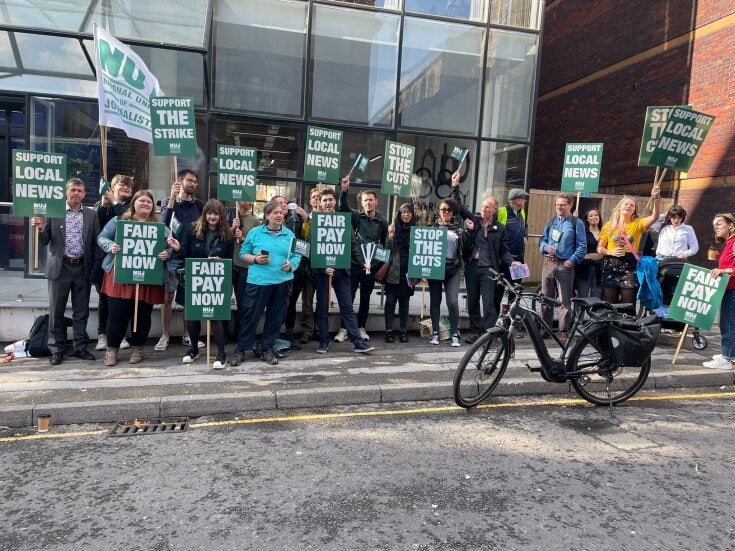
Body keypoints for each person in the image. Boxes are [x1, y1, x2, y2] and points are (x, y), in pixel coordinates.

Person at [97, 190, 176, 366]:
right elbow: (101, 238)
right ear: (134, 203)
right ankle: (112, 350)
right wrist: (111, 246)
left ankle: (137, 348)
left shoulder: (161, 227)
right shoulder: (119, 222)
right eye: (142, 200)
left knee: (142, 315)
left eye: (149, 201)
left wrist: (167, 253)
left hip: (148, 278)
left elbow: (173, 246)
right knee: (117, 314)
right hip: (121, 277)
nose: (145, 204)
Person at [31, 178, 100, 365]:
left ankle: (80, 348)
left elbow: (95, 244)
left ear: (84, 194)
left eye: (80, 190)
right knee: (56, 311)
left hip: (82, 268)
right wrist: (39, 229)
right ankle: (57, 349)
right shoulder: (55, 212)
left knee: (81, 312)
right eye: (73, 190)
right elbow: (45, 240)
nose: (76, 193)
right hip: (59, 269)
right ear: (66, 192)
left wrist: (94, 270)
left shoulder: (91, 215)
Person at [231, 200, 302, 366]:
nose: (278, 215)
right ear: (267, 216)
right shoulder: (255, 233)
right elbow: (243, 253)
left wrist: (292, 264)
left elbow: (296, 255)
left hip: (282, 282)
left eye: (280, 213)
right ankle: (241, 348)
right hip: (258, 282)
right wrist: (255, 259)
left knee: (275, 318)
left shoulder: (290, 235)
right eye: (274, 213)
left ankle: (267, 349)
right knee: (249, 316)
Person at [313, 188, 374, 355]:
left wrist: (363, 263)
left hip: (342, 272)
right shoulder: (316, 221)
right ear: (320, 203)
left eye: (331, 199)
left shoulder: (343, 220)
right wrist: (323, 266)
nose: (328, 203)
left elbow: (353, 245)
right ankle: (323, 341)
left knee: (347, 306)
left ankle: (357, 342)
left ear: (335, 201)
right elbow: (312, 250)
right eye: (324, 200)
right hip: (323, 273)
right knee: (322, 306)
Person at [456, 194, 518, 344]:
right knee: (472, 301)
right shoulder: (475, 220)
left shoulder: (500, 228)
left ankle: (489, 334)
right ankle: (475, 332)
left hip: (489, 270)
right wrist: (455, 186)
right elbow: (460, 208)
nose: (484, 209)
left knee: (488, 302)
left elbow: (504, 250)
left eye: (487, 207)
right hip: (472, 267)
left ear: (495, 210)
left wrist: (511, 263)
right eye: (482, 207)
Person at [180, 199, 234, 369]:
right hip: (195, 279)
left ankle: (221, 353)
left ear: (221, 216)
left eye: (216, 214)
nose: (212, 216)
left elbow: (230, 260)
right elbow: (184, 252)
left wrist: (220, 261)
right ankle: (194, 349)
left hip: (216, 280)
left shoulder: (227, 235)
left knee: (217, 316)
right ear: (204, 214)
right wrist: (176, 247)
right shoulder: (191, 229)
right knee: (193, 315)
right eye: (209, 213)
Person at [156, 169, 204, 352]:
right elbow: (163, 224)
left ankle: (187, 335)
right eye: (189, 180)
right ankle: (165, 335)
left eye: (194, 181)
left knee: (189, 300)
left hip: (190, 256)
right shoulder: (169, 203)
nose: (192, 184)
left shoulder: (199, 205)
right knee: (167, 298)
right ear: (180, 181)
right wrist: (171, 198)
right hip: (171, 257)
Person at [336, 177, 388, 342]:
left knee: (365, 298)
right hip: (354, 264)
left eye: (371, 200)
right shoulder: (356, 217)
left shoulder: (382, 221)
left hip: (371, 267)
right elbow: (342, 207)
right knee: (348, 298)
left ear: (376, 202)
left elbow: (386, 244)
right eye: (365, 200)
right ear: (362, 202)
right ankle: (344, 328)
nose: (368, 203)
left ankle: (361, 327)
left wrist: (382, 267)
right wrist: (344, 191)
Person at [597, 188, 660, 307]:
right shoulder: (609, 225)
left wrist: (656, 198)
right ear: (620, 207)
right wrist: (610, 251)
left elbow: (655, 217)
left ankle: (627, 325)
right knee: (610, 305)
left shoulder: (638, 223)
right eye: (626, 204)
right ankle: (611, 325)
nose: (628, 206)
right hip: (611, 264)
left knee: (628, 304)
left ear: (634, 210)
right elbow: (600, 248)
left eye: (632, 205)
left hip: (629, 266)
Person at [92, 174, 133, 352]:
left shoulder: (131, 208)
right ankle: (102, 334)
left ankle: (120, 334)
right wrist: (105, 204)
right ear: (111, 188)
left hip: (125, 263)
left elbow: (125, 221)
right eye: (122, 186)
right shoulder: (102, 206)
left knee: (122, 301)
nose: (126, 188)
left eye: (129, 187)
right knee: (104, 300)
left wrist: (115, 203)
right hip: (105, 262)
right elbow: (98, 228)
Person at [538, 193, 587, 341]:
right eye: (557, 204)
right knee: (546, 298)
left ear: (570, 205)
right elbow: (542, 241)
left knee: (565, 301)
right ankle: (545, 328)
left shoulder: (576, 223)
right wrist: (545, 247)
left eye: (563, 204)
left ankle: (563, 331)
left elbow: (582, 246)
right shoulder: (551, 221)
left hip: (565, 265)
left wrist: (571, 261)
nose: (559, 207)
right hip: (548, 263)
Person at [428, 197, 469, 347]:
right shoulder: (432, 229)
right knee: (435, 302)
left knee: (452, 302)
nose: (446, 212)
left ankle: (454, 333)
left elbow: (466, 248)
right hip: (436, 270)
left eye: (449, 210)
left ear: (453, 212)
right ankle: (435, 332)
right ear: (438, 212)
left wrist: (469, 232)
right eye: (443, 209)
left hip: (453, 270)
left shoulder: (459, 229)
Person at [703, 213, 735, 369]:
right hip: (729, 288)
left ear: (730, 225)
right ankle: (731, 354)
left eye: (719, 224)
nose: (715, 227)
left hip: (733, 289)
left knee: (728, 323)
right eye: (714, 225)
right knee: (730, 323)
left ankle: (726, 358)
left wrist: (723, 270)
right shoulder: (729, 243)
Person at [383, 203, 416, 343]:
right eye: (403, 212)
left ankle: (403, 331)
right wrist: (390, 237)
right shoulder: (393, 229)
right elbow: (386, 251)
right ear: (399, 214)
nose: (406, 215)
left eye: (409, 212)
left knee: (404, 303)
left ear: (413, 215)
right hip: (393, 272)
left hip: (408, 273)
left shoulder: (417, 231)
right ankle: (389, 331)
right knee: (390, 302)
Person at [494, 187, 529, 316]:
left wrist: (525, 236)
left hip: (519, 259)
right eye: (523, 199)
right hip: (504, 260)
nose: (525, 200)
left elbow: (525, 226)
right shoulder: (502, 211)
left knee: (516, 294)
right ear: (517, 200)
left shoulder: (522, 212)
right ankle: (496, 323)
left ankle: (511, 322)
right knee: (498, 293)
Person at [230, 201, 261, 337]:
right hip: (228, 264)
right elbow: (220, 237)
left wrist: (242, 238)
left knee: (243, 302)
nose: (250, 202)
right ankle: (222, 334)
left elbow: (257, 243)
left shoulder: (254, 221)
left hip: (244, 266)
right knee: (223, 301)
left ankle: (240, 334)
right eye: (247, 199)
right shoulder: (229, 215)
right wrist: (231, 229)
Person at [296, 187, 321, 344]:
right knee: (307, 300)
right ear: (310, 200)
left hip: (324, 266)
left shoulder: (331, 218)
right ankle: (307, 330)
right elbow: (302, 237)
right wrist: (307, 219)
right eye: (314, 197)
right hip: (308, 264)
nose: (317, 199)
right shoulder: (303, 217)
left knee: (323, 300)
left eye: (320, 197)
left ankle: (319, 328)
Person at [575, 208, 604, 300]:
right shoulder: (583, 232)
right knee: (582, 298)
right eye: (590, 216)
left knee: (597, 298)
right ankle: (578, 314)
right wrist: (574, 220)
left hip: (600, 270)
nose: (594, 217)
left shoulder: (605, 233)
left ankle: (595, 314)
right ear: (587, 219)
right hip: (584, 269)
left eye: (596, 215)